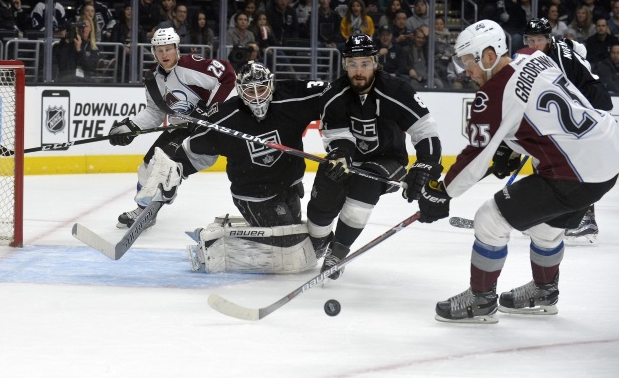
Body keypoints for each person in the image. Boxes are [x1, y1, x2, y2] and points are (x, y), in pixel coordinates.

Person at [422, 19, 619, 323]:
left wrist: (441, 191)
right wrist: (510, 149)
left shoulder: (491, 95)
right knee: (545, 228)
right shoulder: (534, 57)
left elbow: (474, 159)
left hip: (576, 171)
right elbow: (543, 108)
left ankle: (481, 300)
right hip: (607, 152)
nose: (466, 72)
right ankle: (544, 292)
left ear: (489, 56)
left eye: (468, 62)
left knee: (490, 218)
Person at [145, 61, 330, 273]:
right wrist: (176, 169)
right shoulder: (225, 118)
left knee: (304, 244)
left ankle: (237, 234)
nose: (257, 97)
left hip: (288, 185)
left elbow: (331, 95)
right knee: (292, 251)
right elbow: (194, 151)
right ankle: (214, 243)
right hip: (254, 196)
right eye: (250, 91)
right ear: (240, 91)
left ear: (271, 86)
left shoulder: (291, 99)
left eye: (261, 89)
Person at [306, 34, 443, 280]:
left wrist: (425, 167)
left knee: (365, 184)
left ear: (375, 63)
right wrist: (341, 153)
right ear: (344, 65)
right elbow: (335, 134)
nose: (359, 71)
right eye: (353, 64)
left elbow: (425, 131)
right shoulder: (335, 94)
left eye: (365, 64)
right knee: (324, 190)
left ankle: (338, 251)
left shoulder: (397, 90)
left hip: (388, 160)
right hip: (352, 158)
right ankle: (318, 241)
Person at [108, 27, 236, 229]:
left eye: (168, 49)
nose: (164, 54)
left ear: (177, 49)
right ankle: (144, 211)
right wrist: (131, 126)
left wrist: (211, 111)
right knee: (147, 166)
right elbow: (154, 111)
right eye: (159, 50)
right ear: (153, 52)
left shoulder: (190, 66)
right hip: (180, 128)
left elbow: (227, 74)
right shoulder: (152, 78)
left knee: (166, 165)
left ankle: (164, 192)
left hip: (204, 129)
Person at [515, 18, 614, 244]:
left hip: (591, 104)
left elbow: (568, 93)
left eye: (538, 39)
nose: (533, 44)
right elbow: (580, 49)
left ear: (547, 38)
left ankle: (584, 219)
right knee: (556, 160)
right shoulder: (558, 47)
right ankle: (553, 214)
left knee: (577, 164)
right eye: (530, 39)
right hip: (588, 102)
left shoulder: (555, 59)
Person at [52, 15, 101, 83]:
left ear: (91, 29)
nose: (84, 29)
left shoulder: (93, 48)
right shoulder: (69, 43)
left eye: (86, 26)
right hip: (67, 80)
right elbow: (60, 63)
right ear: (78, 28)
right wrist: (65, 41)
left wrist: (79, 50)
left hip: (84, 82)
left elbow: (90, 68)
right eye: (81, 26)